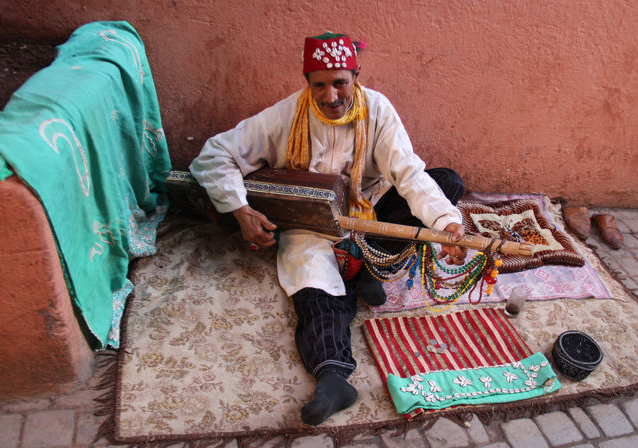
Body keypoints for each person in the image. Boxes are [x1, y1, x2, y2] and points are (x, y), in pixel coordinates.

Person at [190, 32, 468, 426]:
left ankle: (371, 267)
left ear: (356, 75)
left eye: (340, 82)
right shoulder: (288, 114)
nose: (330, 95)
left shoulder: (378, 110)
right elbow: (214, 154)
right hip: (311, 221)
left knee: (446, 182)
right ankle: (334, 376)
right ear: (307, 83)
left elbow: (408, 172)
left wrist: (447, 224)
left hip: (369, 209)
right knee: (313, 288)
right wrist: (239, 209)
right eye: (319, 84)